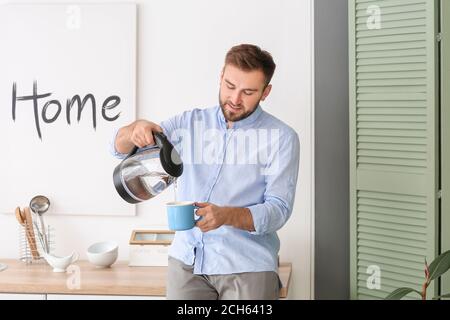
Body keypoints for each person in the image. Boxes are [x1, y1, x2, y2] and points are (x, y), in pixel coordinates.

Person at [111, 44, 300, 300]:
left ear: (265, 92)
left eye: (248, 92)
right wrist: (133, 129)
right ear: (221, 76)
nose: (235, 99)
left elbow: (278, 210)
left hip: (248, 266)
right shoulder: (187, 124)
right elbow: (119, 151)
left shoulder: (282, 138)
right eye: (230, 86)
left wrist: (227, 216)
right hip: (187, 262)